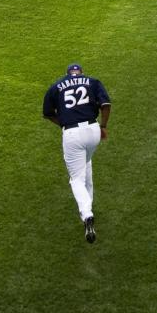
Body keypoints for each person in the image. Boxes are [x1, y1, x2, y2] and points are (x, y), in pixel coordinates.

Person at [43, 63, 111, 243]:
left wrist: (64, 124)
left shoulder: (56, 86)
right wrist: (103, 126)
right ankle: (87, 208)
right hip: (93, 131)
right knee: (86, 163)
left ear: (67, 74)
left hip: (72, 134)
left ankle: (87, 215)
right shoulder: (93, 82)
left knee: (76, 179)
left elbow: (47, 113)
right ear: (81, 73)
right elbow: (106, 104)